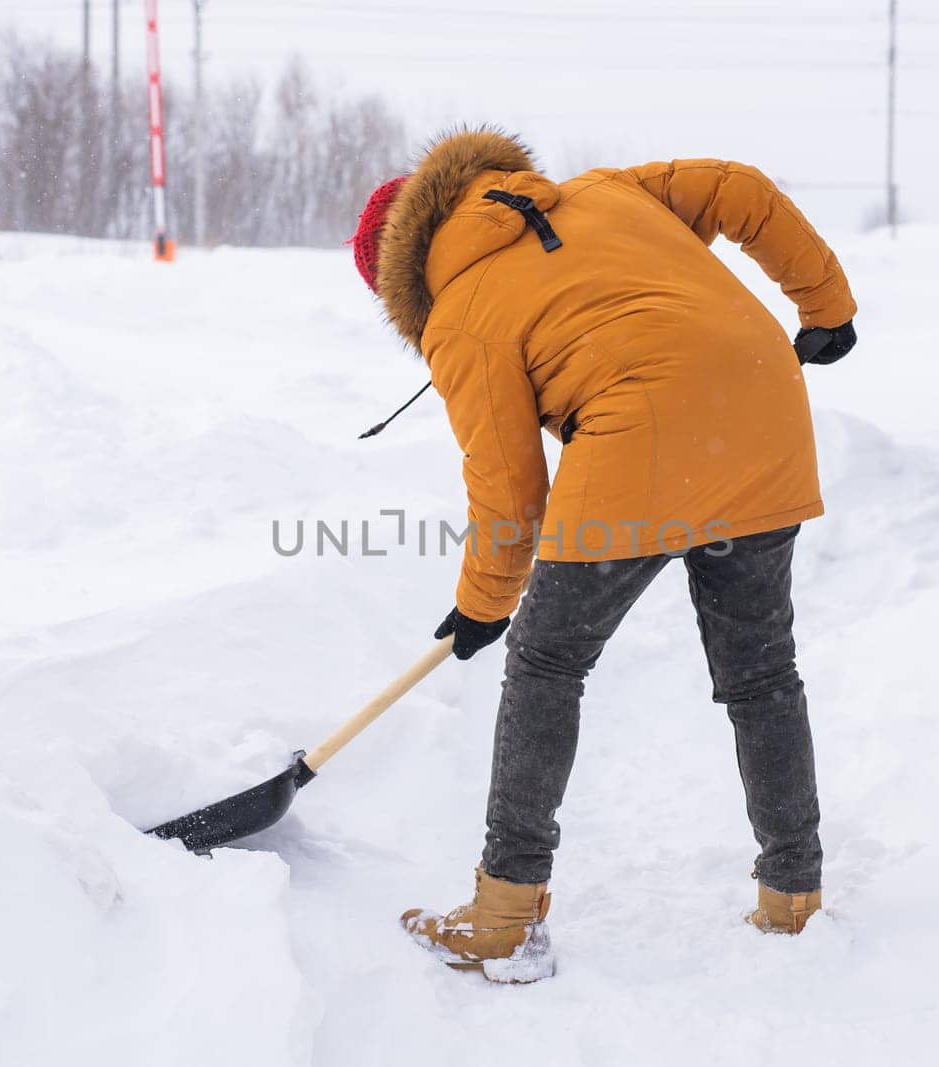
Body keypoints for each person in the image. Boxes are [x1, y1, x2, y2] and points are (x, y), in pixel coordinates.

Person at [347, 128, 858, 984]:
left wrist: (484, 603)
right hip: (765, 407)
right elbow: (738, 186)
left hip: (643, 435)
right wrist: (826, 306)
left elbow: (509, 490)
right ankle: (793, 901)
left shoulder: (458, 317)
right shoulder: (604, 191)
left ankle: (503, 912)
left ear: (401, 272)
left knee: (546, 663)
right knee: (763, 673)